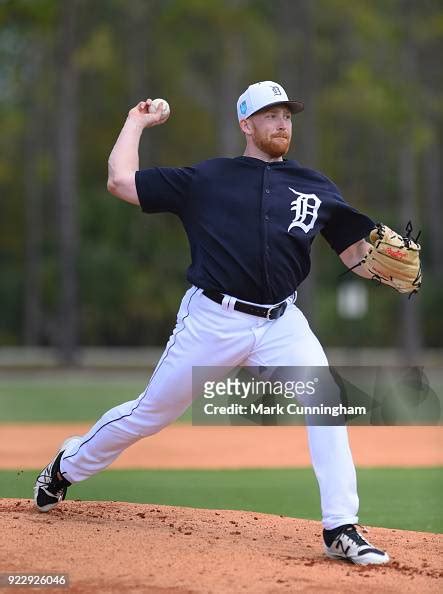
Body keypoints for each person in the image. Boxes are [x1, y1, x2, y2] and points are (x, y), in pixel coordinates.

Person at [35, 81, 390, 565]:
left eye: (287, 114)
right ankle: (65, 466)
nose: (282, 122)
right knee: (150, 414)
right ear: (246, 124)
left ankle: (340, 528)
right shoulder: (208, 178)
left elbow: (355, 254)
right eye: (270, 115)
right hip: (212, 320)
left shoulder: (315, 186)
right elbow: (121, 181)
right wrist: (136, 121)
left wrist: (386, 269)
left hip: (282, 322)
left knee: (327, 401)